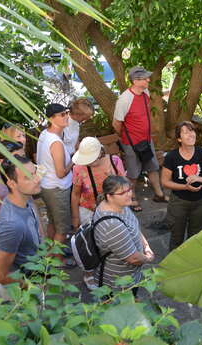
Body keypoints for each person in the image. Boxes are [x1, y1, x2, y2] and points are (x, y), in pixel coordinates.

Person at [71, 137, 126, 290]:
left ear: (100, 153)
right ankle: (89, 274)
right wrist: (75, 218)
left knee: (112, 242)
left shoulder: (115, 161)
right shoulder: (78, 168)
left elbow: (124, 186)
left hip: (113, 209)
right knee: (91, 245)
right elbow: (75, 194)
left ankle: (111, 269)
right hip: (89, 210)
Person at [161, 121, 202, 251]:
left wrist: (201, 178)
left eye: (192, 131)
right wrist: (185, 187)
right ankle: (174, 267)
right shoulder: (171, 157)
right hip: (178, 202)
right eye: (185, 132)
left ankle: (192, 264)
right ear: (179, 138)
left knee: (196, 238)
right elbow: (165, 182)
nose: (190, 134)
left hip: (200, 202)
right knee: (176, 237)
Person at [112, 66, 168, 212]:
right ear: (135, 81)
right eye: (145, 78)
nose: (148, 80)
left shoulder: (145, 92)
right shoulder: (124, 99)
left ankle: (159, 194)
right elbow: (116, 123)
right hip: (131, 143)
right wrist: (126, 137)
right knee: (133, 173)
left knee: (153, 167)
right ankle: (132, 198)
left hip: (147, 140)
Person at [93, 175, 155, 293]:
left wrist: (146, 246)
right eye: (122, 193)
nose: (129, 194)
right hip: (120, 282)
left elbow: (134, 227)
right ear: (109, 196)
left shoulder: (120, 205)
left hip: (131, 276)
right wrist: (148, 258)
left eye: (129, 190)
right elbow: (133, 258)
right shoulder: (112, 225)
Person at [0, 155, 42, 298]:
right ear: (11, 183)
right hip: (21, 290)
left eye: (35, 172)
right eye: (28, 177)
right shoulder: (12, 225)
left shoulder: (27, 199)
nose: (38, 179)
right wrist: (29, 286)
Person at [36, 103, 74, 266]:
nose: (66, 116)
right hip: (57, 188)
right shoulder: (56, 143)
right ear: (51, 118)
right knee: (63, 228)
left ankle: (50, 253)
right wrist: (74, 160)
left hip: (47, 185)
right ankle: (58, 262)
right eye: (61, 114)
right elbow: (61, 172)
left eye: (66, 113)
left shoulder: (45, 134)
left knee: (53, 221)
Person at [0, 140, 26, 219]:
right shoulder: (4, 189)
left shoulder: (12, 177)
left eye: (23, 157)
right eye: (17, 159)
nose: (25, 162)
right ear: (2, 162)